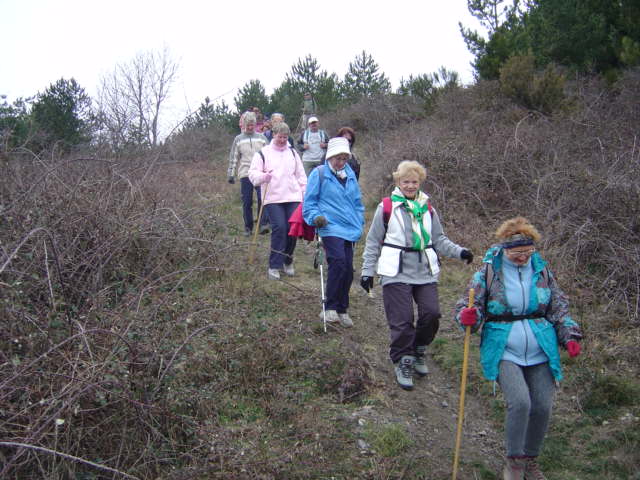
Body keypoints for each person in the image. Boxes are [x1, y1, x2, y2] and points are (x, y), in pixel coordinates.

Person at [453, 216, 583, 480]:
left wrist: (569, 335)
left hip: (540, 346)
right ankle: (514, 461)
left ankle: (530, 460)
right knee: (521, 402)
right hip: (503, 346)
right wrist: (468, 317)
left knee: (542, 406)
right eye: (517, 252)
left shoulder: (542, 271)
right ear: (505, 249)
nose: (523, 257)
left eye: (528, 251)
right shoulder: (488, 272)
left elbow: (558, 307)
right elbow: (469, 305)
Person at [360, 160, 473, 390]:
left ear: (420, 182)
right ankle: (402, 359)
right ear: (398, 182)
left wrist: (460, 252)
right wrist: (367, 271)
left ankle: (419, 348)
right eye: (406, 182)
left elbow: (439, 239)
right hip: (395, 270)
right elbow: (373, 242)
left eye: (414, 182)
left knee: (431, 314)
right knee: (402, 321)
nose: (410, 186)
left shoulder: (428, 208)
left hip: (424, 270)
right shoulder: (387, 207)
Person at [303, 137, 365, 327]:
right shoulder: (319, 173)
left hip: (350, 227)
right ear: (330, 156)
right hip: (329, 225)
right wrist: (316, 217)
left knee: (348, 270)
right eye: (338, 158)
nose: (341, 162)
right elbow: (309, 203)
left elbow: (357, 202)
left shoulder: (350, 174)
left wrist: (360, 221)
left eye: (344, 158)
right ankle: (329, 308)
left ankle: (342, 309)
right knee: (337, 261)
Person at [249, 122, 306, 280]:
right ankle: (274, 265)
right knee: (280, 228)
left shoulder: (293, 153)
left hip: (293, 196)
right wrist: (263, 176)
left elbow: (301, 175)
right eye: (279, 137)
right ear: (273, 135)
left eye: (285, 137)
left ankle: (287, 260)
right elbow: (252, 174)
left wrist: (305, 192)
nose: (282, 140)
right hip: (272, 198)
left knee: (293, 228)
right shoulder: (263, 153)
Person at [227, 112, 269, 236]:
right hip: (245, 173)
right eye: (248, 125)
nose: (250, 127)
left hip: (260, 172)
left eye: (252, 125)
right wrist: (231, 173)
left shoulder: (262, 138)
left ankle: (262, 224)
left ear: (255, 124)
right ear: (244, 125)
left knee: (262, 198)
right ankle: (248, 227)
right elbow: (234, 157)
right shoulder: (238, 139)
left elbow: (269, 155)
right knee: (247, 201)